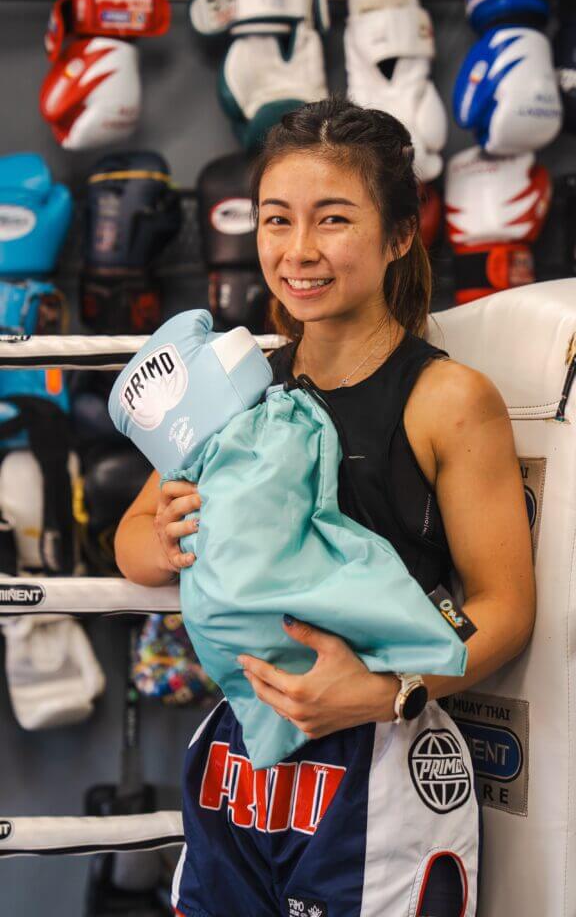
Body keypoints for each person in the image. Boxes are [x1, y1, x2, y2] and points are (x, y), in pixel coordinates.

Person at [114, 99, 536, 917]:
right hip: (245, 753)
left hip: (382, 756)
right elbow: (131, 540)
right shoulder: (232, 383)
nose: (299, 250)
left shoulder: (447, 399)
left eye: (333, 219)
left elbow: (505, 608)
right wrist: (164, 538)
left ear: (400, 235)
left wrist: (386, 691)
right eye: (277, 219)